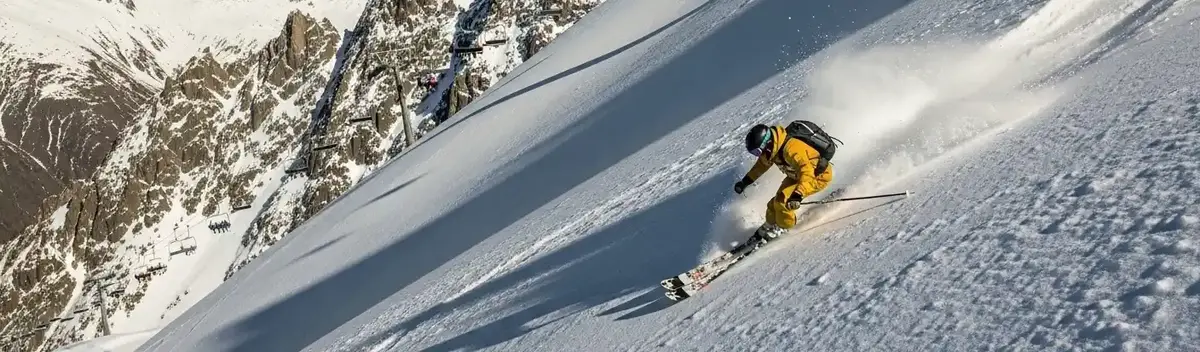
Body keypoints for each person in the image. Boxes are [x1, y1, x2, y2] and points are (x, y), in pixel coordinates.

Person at [733, 121, 838, 243]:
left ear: (767, 142)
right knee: (774, 203)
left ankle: (783, 228)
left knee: (783, 202)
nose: (758, 155)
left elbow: (807, 172)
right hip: (796, 177)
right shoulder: (772, 150)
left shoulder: (791, 149)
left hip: (817, 177)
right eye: (755, 153)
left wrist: (798, 194)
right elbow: (760, 166)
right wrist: (745, 182)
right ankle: (769, 225)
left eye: (757, 152)